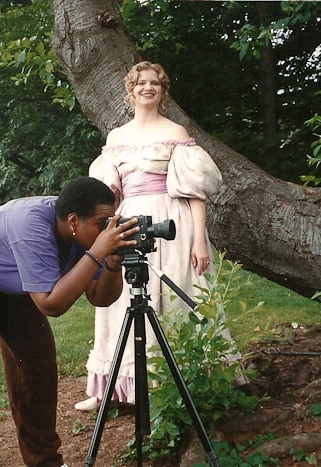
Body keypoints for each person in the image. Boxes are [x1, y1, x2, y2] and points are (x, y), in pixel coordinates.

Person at [0, 176, 142, 467]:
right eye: (102, 223)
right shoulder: (32, 226)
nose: (107, 230)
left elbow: (99, 297)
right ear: (74, 220)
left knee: (36, 363)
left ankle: (44, 461)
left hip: (12, 281)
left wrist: (112, 264)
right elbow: (51, 304)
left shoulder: (85, 234)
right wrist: (99, 251)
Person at [75, 61, 246, 412]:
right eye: (141, 83)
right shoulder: (116, 138)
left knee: (174, 293)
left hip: (172, 220)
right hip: (129, 219)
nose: (148, 88)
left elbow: (195, 193)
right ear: (131, 90)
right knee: (123, 294)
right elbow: (111, 195)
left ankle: (185, 378)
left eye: (155, 83)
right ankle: (110, 385)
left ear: (163, 90)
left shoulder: (176, 132)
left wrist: (200, 240)